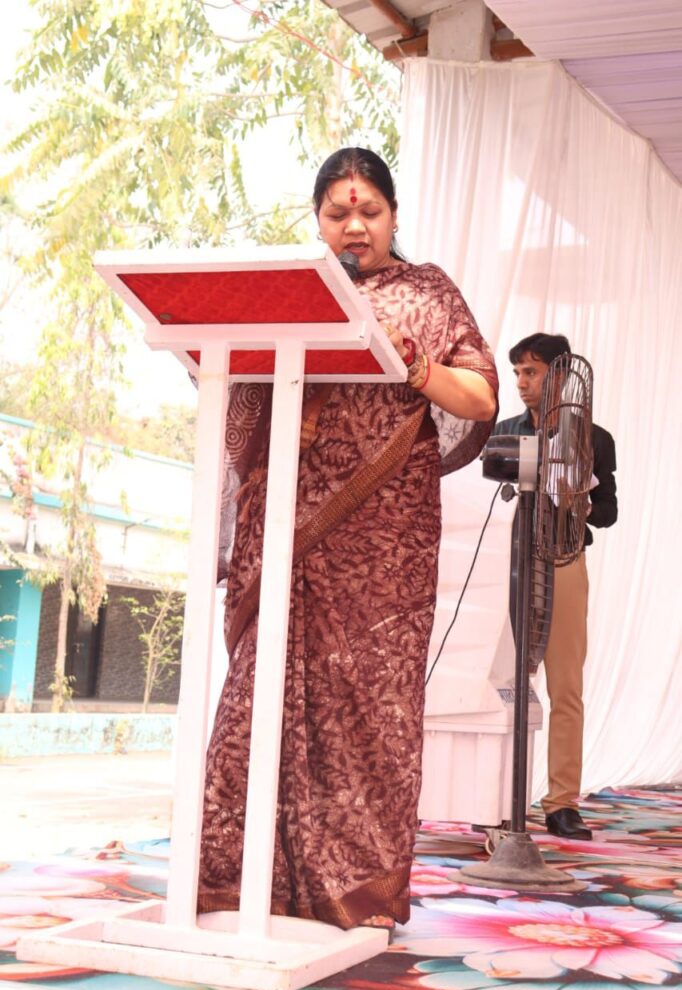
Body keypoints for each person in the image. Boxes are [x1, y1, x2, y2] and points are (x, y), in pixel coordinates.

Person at [198, 147, 498, 929]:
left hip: (381, 540)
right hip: (284, 524)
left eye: (369, 212)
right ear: (318, 220)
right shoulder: (294, 295)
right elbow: (237, 384)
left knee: (369, 705)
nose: (354, 226)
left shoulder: (427, 293)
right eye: (338, 213)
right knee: (258, 693)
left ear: (394, 215)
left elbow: (478, 396)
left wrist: (416, 367)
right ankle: (235, 880)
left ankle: (356, 892)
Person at [494, 333, 617, 841]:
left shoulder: (594, 438)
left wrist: (581, 501)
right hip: (509, 563)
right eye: (517, 373)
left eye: (532, 371)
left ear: (562, 376)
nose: (522, 382)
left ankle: (562, 803)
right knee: (505, 684)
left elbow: (608, 511)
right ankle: (498, 798)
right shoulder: (503, 432)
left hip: (565, 560)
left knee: (566, 685)